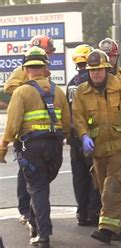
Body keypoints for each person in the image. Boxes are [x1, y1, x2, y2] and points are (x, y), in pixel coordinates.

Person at [72, 49, 121, 243]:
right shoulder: (82, 92)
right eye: (92, 70)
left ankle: (106, 230)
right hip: (98, 149)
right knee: (103, 188)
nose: (95, 74)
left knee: (113, 185)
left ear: (107, 69)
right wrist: (83, 136)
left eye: (99, 70)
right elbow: (79, 117)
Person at [0, 46, 70, 247]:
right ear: (45, 67)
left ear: (26, 69)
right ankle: (35, 223)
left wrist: (3, 146)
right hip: (55, 147)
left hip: (31, 147)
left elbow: (13, 123)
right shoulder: (58, 91)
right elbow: (66, 122)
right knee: (40, 187)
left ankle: (43, 234)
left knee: (38, 189)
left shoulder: (21, 91)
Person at [3, 35, 56, 225]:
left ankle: (34, 210)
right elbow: (9, 87)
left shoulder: (43, 68)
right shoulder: (23, 70)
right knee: (25, 173)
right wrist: (29, 88)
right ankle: (25, 210)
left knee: (37, 177)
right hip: (26, 133)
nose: (50, 54)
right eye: (48, 51)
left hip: (43, 132)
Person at [66, 44, 102, 226]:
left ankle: (82, 212)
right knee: (95, 174)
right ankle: (94, 212)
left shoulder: (71, 83)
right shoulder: (92, 82)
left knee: (79, 176)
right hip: (90, 135)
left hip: (74, 137)